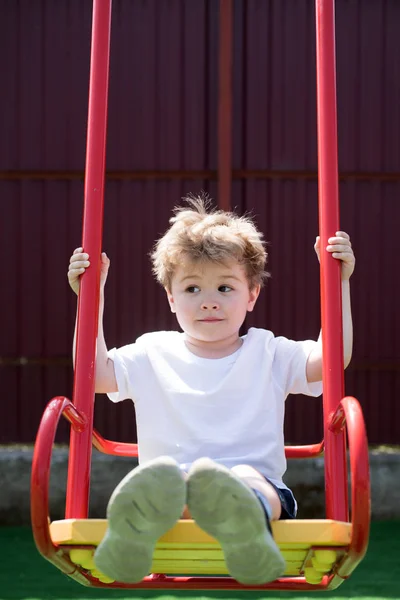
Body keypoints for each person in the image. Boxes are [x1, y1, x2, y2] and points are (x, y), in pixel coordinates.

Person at [67, 195, 355, 585]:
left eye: (224, 287)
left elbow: (330, 361)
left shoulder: (268, 351)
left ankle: (243, 528)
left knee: (247, 481)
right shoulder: (152, 351)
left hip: (259, 489)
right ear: (171, 298)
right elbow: (94, 376)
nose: (208, 302)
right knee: (167, 482)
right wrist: (90, 297)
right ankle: (134, 535)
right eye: (191, 289)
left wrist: (336, 283)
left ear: (251, 295)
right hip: (175, 495)